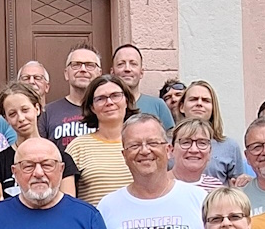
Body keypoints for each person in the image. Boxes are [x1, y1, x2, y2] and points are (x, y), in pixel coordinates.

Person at [0, 81, 81, 202]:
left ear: (37, 108)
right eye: (12, 114)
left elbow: (68, 204)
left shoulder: (62, 158)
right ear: (6, 119)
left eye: (25, 110)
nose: (21, 118)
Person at [67, 73, 136, 208]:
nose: (109, 102)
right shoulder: (78, 147)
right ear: (92, 107)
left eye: (115, 96)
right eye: (101, 99)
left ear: (126, 101)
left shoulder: (140, 144)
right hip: (95, 220)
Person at [176, 81, 246, 185]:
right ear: (182, 107)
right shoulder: (167, 143)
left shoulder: (230, 146)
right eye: (193, 99)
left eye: (206, 100)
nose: (199, 103)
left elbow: (236, 186)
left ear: (213, 108)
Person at [44, 46, 102, 144]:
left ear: (99, 73)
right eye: (76, 65)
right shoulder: (48, 112)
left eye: (90, 65)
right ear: (66, 73)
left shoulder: (108, 108)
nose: (83, 69)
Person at [112, 44, 174, 130]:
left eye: (133, 64)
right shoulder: (106, 105)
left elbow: (170, 136)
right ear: (112, 72)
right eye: (120, 64)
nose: (127, 69)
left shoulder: (158, 105)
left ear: (141, 72)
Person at [0, 59, 51, 139]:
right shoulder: (2, 122)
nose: (31, 82)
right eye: (26, 78)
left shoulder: (54, 116)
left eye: (37, 78)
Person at [170, 119, 224, 187]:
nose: (194, 150)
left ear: (210, 152)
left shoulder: (216, 187)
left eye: (202, 143)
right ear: (172, 150)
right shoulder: (159, 185)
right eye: (186, 142)